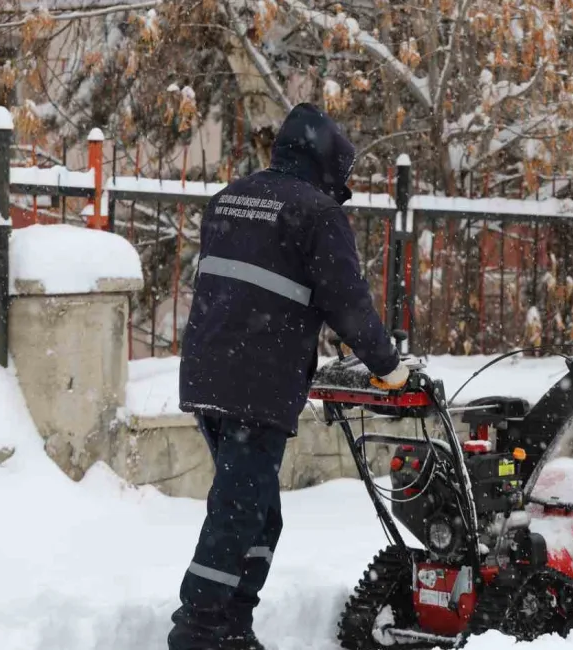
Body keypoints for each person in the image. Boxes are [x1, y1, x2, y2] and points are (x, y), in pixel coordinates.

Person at [168, 103, 410, 650]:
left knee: (259, 513)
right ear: (327, 164)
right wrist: (388, 368)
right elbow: (347, 304)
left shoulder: (229, 198)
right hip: (256, 385)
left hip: (207, 374)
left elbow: (252, 289)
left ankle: (232, 625)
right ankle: (198, 629)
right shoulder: (317, 214)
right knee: (237, 511)